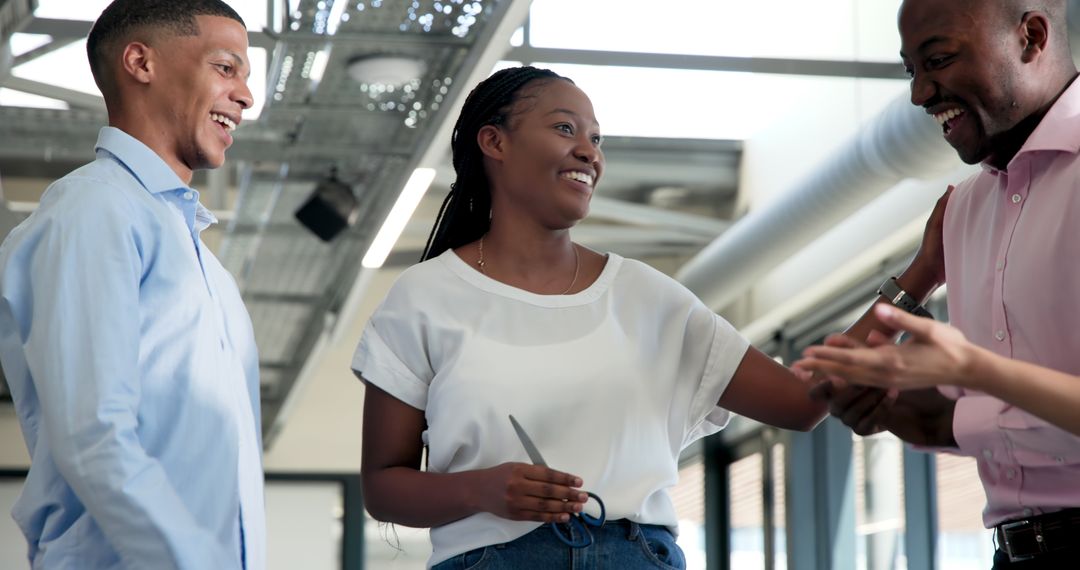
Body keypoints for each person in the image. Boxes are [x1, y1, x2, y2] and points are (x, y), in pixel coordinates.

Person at [352, 65, 827, 569]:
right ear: (494, 142)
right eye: (565, 129)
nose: (590, 151)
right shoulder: (425, 296)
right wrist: (480, 490)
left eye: (596, 138)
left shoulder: (647, 296)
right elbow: (383, 487)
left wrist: (916, 278)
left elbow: (801, 404)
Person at [793, 0, 1080, 567]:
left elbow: (984, 397)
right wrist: (901, 411)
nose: (920, 94)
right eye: (911, 71)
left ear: (1031, 36)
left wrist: (964, 385)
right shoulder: (966, 210)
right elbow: (1004, 423)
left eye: (939, 59)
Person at [0, 1, 265, 568]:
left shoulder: (207, 270)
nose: (246, 97)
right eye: (227, 68)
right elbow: (94, 436)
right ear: (141, 62)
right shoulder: (94, 210)